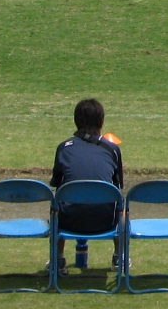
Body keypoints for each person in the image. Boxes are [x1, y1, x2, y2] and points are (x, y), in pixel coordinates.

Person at [50, 99, 123, 274]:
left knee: (56, 204)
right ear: (102, 121)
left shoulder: (63, 148)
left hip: (69, 221)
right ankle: (119, 257)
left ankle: (58, 259)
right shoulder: (112, 149)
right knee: (121, 206)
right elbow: (117, 187)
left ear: (76, 121)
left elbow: (58, 185)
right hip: (106, 221)